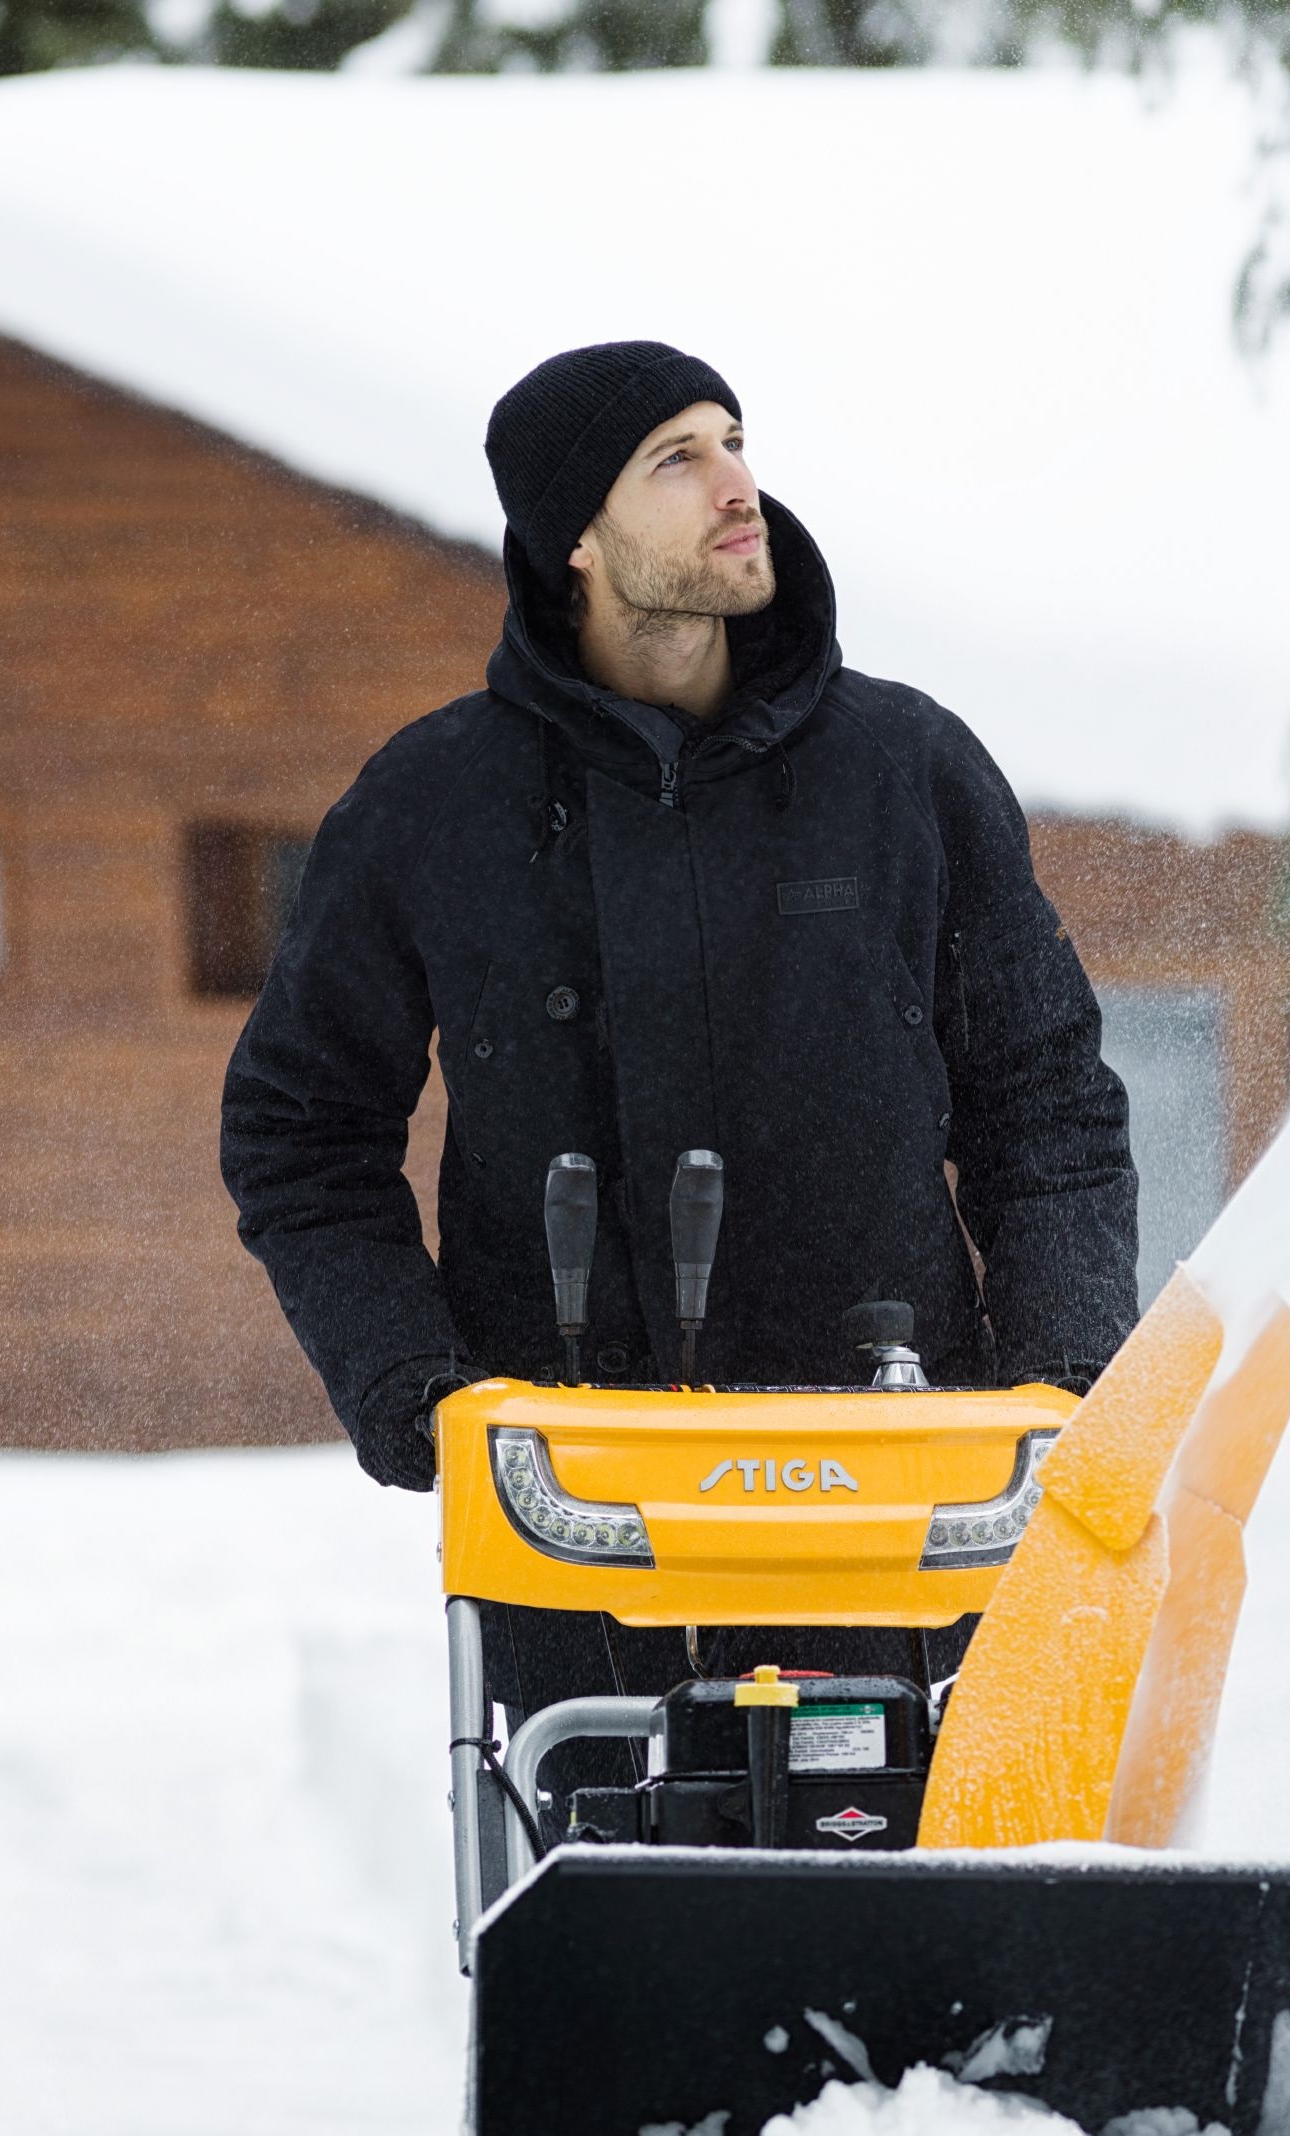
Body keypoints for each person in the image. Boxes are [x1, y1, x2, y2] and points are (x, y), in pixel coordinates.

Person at [221, 339, 1137, 1735]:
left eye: (736, 440)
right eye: (679, 457)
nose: (738, 487)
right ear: (573, 539)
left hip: (901, 1519)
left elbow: (1047, 1105)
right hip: (573, 1528)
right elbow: (300, 1133)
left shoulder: (906, 774)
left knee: (906, 1920)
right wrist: (423, 1393)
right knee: (608, 1931)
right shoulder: (432, 806)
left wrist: (1058, 1374)